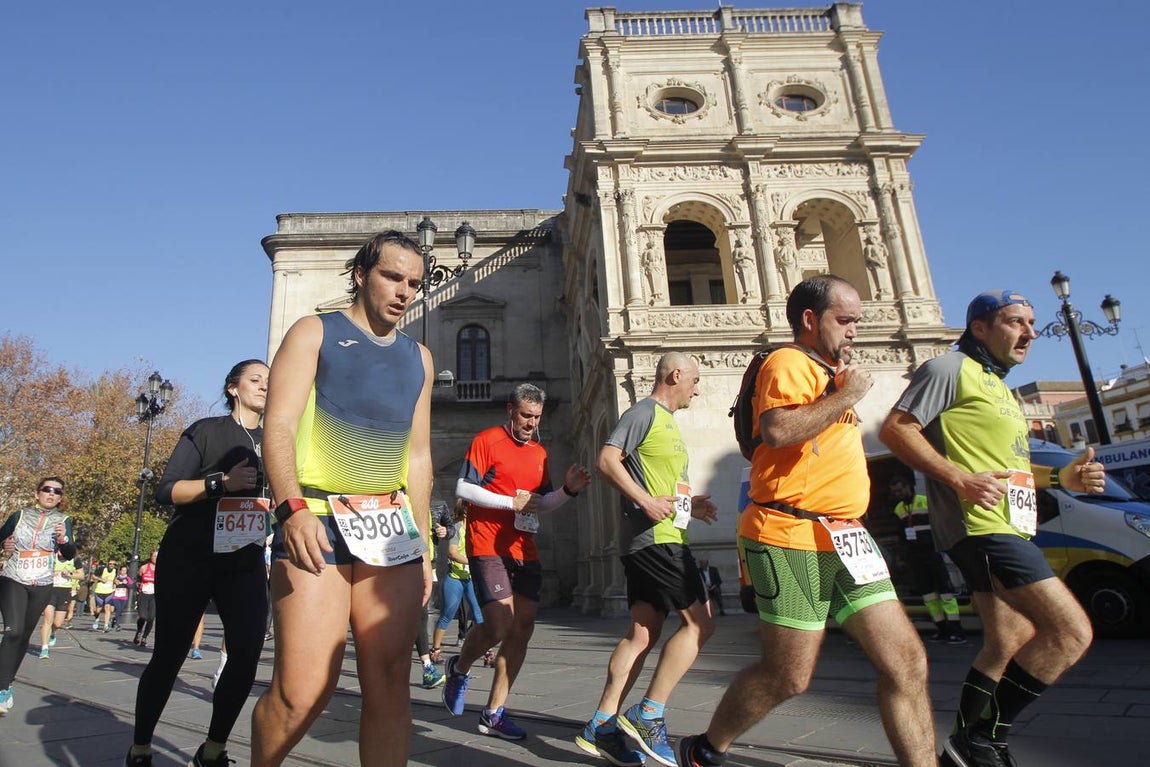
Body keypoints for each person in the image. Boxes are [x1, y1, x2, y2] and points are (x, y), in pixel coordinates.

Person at [679, 275, 935, 767]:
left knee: (907, 662)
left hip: (847, 539)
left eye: (857, 321)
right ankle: (706, 749)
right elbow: (776, 430)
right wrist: (846, 396)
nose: (855, 331)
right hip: (787, 533)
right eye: (845, 320)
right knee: (788, 676)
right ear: (810, 320)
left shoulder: (830, 374)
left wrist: (840, 393)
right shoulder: (788, 362)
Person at [880, 289, 1102, 767]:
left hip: (1009, 526)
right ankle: (983, 739)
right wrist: (959, 479)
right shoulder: (948, 368)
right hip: (982, 527)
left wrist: (1064, 477)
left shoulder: (999, 386)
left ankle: (964, 750)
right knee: (1071, 632)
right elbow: (896, 428)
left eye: (1033, 322)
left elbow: (1010, 469)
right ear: (979, 327)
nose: (1031, 331)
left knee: (1007, 643)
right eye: (1016, 321)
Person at [250, 230, 433, 767]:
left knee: (390, 680)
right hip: (316, 520)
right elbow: (278, 425)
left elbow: (418, 457)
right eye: (392, 277)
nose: (404, 291)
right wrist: (291, 508)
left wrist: (423, 546)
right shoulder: (314, 331)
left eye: (414, 283)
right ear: (361, 274)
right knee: (302, 691)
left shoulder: (419, 358)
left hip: (390, 528)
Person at [126, 359, 271, 767]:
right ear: (233, 389)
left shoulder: (279, 437)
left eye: (269, 381)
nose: (265, 386)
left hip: (243, 559)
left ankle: (214, 748)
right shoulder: (207, 430)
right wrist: (219, 484)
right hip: (190, 554)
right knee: (169, 655)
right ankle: (139, 746)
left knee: (245, 655)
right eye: (255, 380)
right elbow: (165, 490)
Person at [576, 351, 718, 767]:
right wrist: (644, 501)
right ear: (675, 375)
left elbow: (659, 483)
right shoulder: (645, 413)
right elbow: (606, 459)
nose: (697, 386)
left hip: (657, 537)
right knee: (701, 624)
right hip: (658, 541)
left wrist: (693, 503)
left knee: (641, 634)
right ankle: (649, 712)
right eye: (694, 379)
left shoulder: (667, 423)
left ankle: (602, 725)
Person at [442, 383, 591, 740]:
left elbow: (541, 504)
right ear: (511, 410)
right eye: (525, 415)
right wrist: (510, 504)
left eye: (536, 418)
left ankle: (493, 713)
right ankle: (459, 667)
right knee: (498, 624)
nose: (531, 423)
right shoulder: (487, 440)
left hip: (525, 549)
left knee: (522, 629)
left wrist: (568, 491)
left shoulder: (540, 453)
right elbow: (464, 488)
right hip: (487, 544)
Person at [0, 476, 77, 713]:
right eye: (47, 489)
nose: (52, 494)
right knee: (13, 630)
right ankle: (1, 689)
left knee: (24, 636)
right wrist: (5, 544)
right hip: (13, 577)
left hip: (42, 583)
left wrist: (63, 539)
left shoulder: (63, 521)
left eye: (57, 492)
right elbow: (1, 535)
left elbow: (71, 553)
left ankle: (7, 683)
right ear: (37, 493)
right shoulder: (19, 515)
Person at [888, 473, 966, 644]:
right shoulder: (899, 509)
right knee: (928, 595)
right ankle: (941, 629)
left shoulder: (925, 501)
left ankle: (956, 630)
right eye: (895, 492)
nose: (899, 494)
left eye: (900, 490)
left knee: (945, 592)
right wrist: (902, 556)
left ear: (909, 487)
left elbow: (941, 523)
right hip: (914, 556)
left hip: (932, 551)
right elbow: (900, 535)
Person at [430, 500, 491, 670]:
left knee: (479, 616)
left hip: (471, 577)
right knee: (448, 613)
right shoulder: (458, 528)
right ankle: (435, 649)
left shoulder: (479, 528)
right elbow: (452, 552)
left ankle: (488, 653)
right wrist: (473, 562)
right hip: (455, 577)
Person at [39, 553, 76, 658]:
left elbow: (81, 575)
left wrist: (69, 574)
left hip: (64, 593)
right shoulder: (51, 557)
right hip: (50, 591)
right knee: (47, 620)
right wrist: (50, 574)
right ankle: (44, 649)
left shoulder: (73, 559)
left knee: (58, 623)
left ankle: (52, 633)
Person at [133, 550, 158, 647]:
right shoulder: (144, 567)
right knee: (143, 616)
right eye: (154, 556)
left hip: (154, 596)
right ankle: (139, 631)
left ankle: (144, 637)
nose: (156, 558)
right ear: (151, 557)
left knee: (151, 618)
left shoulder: (162, 569)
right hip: (143, 595)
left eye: (158, 556)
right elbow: (138, 578)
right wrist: (138, 585)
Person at [91, 559, 116, 631]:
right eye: (110, 564)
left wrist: (115, 582)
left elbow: (114, 579)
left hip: (109, 592)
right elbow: (93, 576)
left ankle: (105, 625)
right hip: (99, 592)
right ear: (107, 564)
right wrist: (101, 579)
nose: (112, 565)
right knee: (98, 609)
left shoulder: (115, 571)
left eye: (113, 564)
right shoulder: (102, 569)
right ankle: (96, 619)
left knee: (107, 608)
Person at [111, 564, 133, 630]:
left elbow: (131, 587)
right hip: (116, 597)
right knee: (118, 608)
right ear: (120, 571)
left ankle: (114, 619)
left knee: (121, 610)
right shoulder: (116, 578)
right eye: (122, 570)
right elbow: (112, 585)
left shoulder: (128, 578)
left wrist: (126, 584)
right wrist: (114, 583)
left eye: (125, 570)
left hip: (124, 597)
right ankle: (117, 625)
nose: (123, 572)